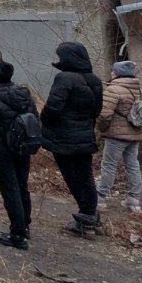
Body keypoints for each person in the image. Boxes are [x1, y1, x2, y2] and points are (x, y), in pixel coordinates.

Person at [41, 42, 104, 238]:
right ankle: (92, 216)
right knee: (85, 177)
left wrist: (43, 120)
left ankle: (86, 218)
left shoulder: (64, 78)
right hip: (85, 136)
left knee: (74, 178)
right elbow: (97, 110)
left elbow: (52, 108)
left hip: (64, 139)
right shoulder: (94, 79)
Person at [0, 59, 37, 250]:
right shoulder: (24, 94)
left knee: (9, 189)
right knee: (22, 186)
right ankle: (25, 226)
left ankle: (17, 233)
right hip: (22, 147)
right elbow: (34, 119)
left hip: (1, 150)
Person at [97, 61, 142, 213]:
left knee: (109, 165)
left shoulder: (113, 89)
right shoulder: (139, 90)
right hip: (134, 134)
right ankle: (134, 200)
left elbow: (104, 114)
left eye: (112, 71)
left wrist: (102, 129)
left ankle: (101, 196)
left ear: (116, 73)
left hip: (116, 136)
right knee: (133, 166)